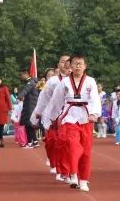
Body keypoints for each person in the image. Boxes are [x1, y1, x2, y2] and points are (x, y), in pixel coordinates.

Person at [42, 54, 102, 191]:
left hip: (86, 117)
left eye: (80, 64)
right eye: (75, 64)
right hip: (69, 116)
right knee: (72, 144)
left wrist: (94, 113)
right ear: (70, 66)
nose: (78, 66)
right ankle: (73, 174)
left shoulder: (90, 81)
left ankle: (84, 180)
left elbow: (95, 99)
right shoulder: (64, 83)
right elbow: (55, 102)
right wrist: (51, 119)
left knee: (86, 151)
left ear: (85, 66)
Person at [17, 68, 39, 147]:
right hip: (29, 105)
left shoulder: (30, 82)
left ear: (26, 74)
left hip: (31, 105)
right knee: (28, 124)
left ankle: (32, 142)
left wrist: (19, 96)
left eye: (21, 75)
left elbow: (26, 90)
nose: (21, 76)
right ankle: (33, 142)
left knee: (29, 124)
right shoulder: (30, 82)